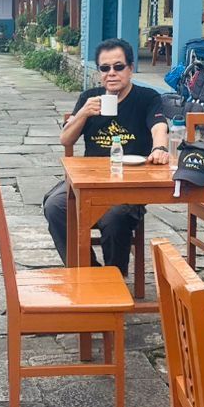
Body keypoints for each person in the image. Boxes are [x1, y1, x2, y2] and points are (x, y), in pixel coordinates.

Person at [43, 39, 170, 275]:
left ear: (130, 68)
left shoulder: (147, 97)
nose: (111, 73)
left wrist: (159, 148)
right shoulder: (89, 97)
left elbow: (159, 126)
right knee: (55, 206)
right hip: (89, 180)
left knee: (114, 217)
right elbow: (66, 140)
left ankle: (115, 277)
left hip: (130, 183)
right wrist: (83, 113)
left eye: (118, 67)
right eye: (105, 68)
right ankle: (89, 273)